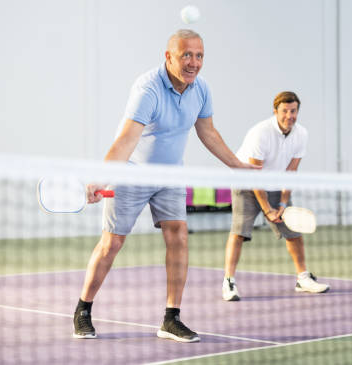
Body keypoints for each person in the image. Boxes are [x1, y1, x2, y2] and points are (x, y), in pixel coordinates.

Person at [72, 29, 257, 343]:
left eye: (199, 56)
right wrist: (99, 178)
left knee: (179, 236)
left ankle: (171, 318)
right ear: (168, 56)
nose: (193, 62)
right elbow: (126, 141)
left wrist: (239, 167)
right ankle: (83, 309)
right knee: (111, 244)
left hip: (170, 176)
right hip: (132, 174)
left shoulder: (201, 89)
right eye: (186, 54)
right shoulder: (148, 89)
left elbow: (208, 132)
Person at [222, 91, 330, 302]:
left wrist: (281, 203)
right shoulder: (260, 133)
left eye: (293, 111)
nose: (289, 116)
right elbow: (255, 173)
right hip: (246, 183)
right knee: (239, 232)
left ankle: (302, 278)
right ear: (275, 111)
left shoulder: (301, 134)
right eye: (285, 111)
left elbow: (291, 171)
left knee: (293, 232)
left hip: (273, 187)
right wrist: (268, 209)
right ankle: (228, 281)